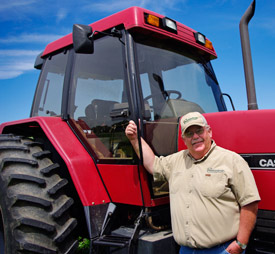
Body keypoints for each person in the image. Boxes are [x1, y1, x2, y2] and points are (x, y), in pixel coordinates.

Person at [125, 112, 260, 254]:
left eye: (199, 131)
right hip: (186, 250)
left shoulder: (232, 161)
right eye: (189, 133)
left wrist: (241, 243)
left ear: (209, 131)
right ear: (184, 139)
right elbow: (152, 164)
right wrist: (134, 139)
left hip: (222, 250)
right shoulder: (176, 161)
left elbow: (249, 202)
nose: (195, 137)